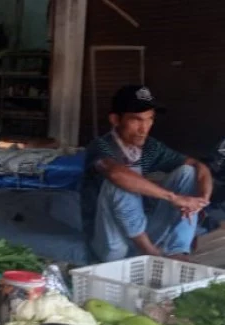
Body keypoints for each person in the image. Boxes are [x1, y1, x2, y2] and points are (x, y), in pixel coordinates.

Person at [80, 85, 213, 262]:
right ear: (115, 119)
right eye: (136, 120)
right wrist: (173, 198)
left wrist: (202, 199)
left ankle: (178, 250)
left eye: (149, 119)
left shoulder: (150, 147)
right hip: (110, 241)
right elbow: (115, 173)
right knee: (120, 179)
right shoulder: (101, 146)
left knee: (188, 172)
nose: (144, 128)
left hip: (142, 232)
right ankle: (151, 253)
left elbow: (198, 165)